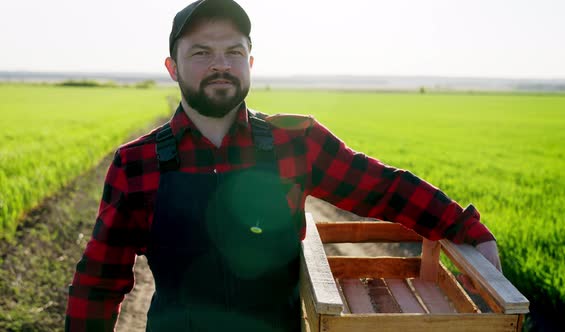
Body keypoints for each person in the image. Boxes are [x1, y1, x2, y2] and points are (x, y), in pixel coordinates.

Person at [65, 0, 501, 331]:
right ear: (172, 68)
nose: (220, 64)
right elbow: (100, 282)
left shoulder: (296, 141)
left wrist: (466, 229)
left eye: (233, 51)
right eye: (200, 53)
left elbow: (383, 189)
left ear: (250, 63)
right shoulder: (137, 163)